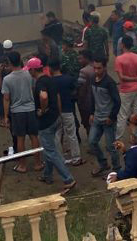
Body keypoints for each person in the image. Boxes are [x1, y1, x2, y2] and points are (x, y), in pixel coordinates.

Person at [28, 58, 77, 194]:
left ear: (32, 70)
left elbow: (43, 97)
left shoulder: (40, 83)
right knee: (48, 147)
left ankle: (68, 179)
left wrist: (43, 110)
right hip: (55, 117)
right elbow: (58, 97)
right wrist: (59, 114)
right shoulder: (50, 79)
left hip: (46, 122)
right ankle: (47, 175)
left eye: (29, 70)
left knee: (50, 151)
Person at [2, 51, 42, 172]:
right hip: (30, 109)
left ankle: (22, 165)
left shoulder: (7, 79)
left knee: (20, 138)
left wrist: (5, 116)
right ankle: (38, 163)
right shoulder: (29, 74)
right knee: (34, 136)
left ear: (9, 62)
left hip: (17, 112)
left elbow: (6, 99)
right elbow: (34, 89)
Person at [89, 56, 121, 176]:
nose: (96, 70)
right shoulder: (92, 79)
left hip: (108, 121)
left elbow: (117, 101)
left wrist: (111, 117)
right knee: (92, 142)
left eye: (99, 68)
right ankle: (103, 164)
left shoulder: (109, 83)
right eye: (95, 68)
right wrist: (91, 113)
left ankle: (117, 169)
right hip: (97, 118)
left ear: (105, 67)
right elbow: (92, 97)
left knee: (111, 147)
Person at [50, 58, 82, 166]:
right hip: (68, 109)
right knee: (71, 134)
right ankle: (76, 157)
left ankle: (59, 158)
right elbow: (76, 89)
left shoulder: (50, 82)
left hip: (55, 113)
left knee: (57, 135)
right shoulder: (68, 79)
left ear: (50, 68)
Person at [114, 36, 137, 141]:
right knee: (136, 114)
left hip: (125, 90)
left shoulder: (119, 59)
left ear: (122, 45)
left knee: (122, 116)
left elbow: (121, 77)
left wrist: (131, 79)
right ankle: (136, 137)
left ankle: (118, 139)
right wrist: (136, 80)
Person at [76, 49, 95, 135]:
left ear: (86, 59)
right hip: (97, 100)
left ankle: (92, 143)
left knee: (87, 124)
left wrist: (79, 101)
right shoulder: (97, 67)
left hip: (86, 103)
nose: (79, 61)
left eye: (81, 59)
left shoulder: (83, 71)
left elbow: (81, 89)